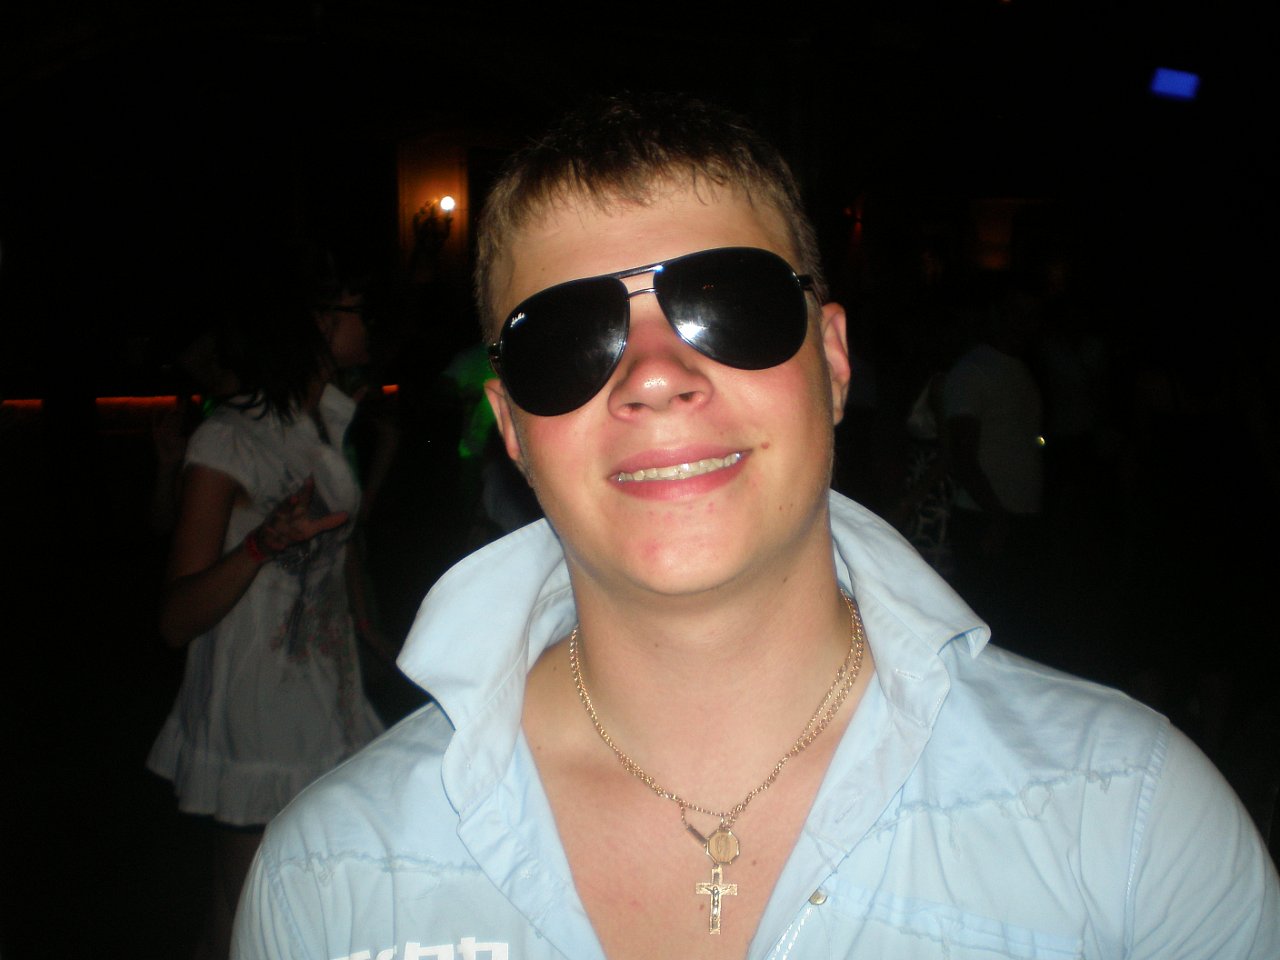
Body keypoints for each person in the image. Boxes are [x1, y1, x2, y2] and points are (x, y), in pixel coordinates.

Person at [233, 96, 1278, 959]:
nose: (654, 375)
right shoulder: (331, 880)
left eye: (728, 304)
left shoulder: (1127, 826)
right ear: (511, 429)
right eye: (565, 340)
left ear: (832, 360)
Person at [149, 258, 386, 958]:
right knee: (266, 927)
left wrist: (378, 640)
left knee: (238, 919)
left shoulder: (327, 420)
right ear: (319, 324)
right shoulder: (232, 437)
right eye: (358, 309)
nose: (372, 325)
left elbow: (343, 560)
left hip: (325, 698)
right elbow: (175, 619)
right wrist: (260, 546)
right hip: (255, 713)